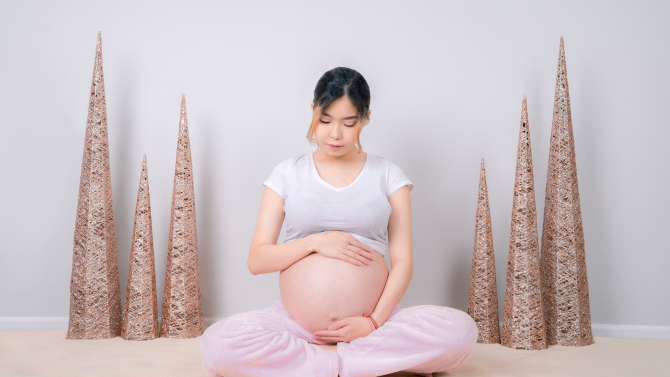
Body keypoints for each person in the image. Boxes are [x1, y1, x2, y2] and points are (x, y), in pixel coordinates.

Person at [199, 67, 477, 377]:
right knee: (217, 346)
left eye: (348, 123)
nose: (335, 134)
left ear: (365, 118)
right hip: (295, 323)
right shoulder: (287, 174)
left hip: (374, 324)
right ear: (313, 111)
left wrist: (371, 322)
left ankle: (319, 363)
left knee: (460, 332)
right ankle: (351, 363)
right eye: (326, 120)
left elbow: (402, 263)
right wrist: (315, 243)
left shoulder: (388, 176)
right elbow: (257, 260)